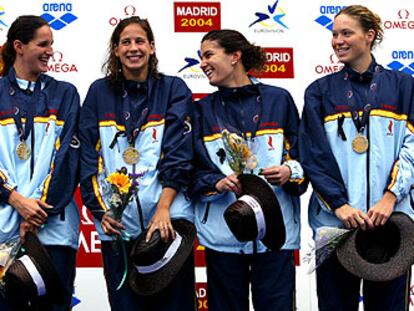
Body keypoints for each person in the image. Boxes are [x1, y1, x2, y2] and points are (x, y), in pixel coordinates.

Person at [299, 5, 414, 311]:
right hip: (334, 224)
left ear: (370, 36)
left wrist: (391, 197)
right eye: (334, 34)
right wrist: (339, 204)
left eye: (347, 33)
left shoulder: (405, 87)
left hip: (391, 223)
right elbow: (313, 155)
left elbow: (412, 147)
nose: (338, 40)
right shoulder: (318, 92)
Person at [79, 16, 195, 311]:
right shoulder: (98, 92)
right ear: (115, 50)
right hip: (118, 228)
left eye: (140, 41)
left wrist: (164, 208)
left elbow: (179, 154)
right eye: (126, 42)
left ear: (152, 47)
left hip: (167, 225)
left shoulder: (173, 88)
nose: (133, 48)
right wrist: (100, 211)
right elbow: (88, 158)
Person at [191, 29, 305, 310]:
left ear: (234, 56)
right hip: (223, 234)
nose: (202, 63)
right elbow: (190, 171)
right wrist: (216, 182)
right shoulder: (201, 110)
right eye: (200, 57)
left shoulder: (279, 99)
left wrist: (290, 171)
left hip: (275, 235)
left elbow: (304, 157)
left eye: (209, 55)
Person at [0, 15, 80, 310]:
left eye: (52, 45)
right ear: (18, 46)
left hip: (53, 229)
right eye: (43, 44)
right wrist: (14, 199)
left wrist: (34, 212)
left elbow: (68, 159)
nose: (50, 51)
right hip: (3, 231)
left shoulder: (65, 93)